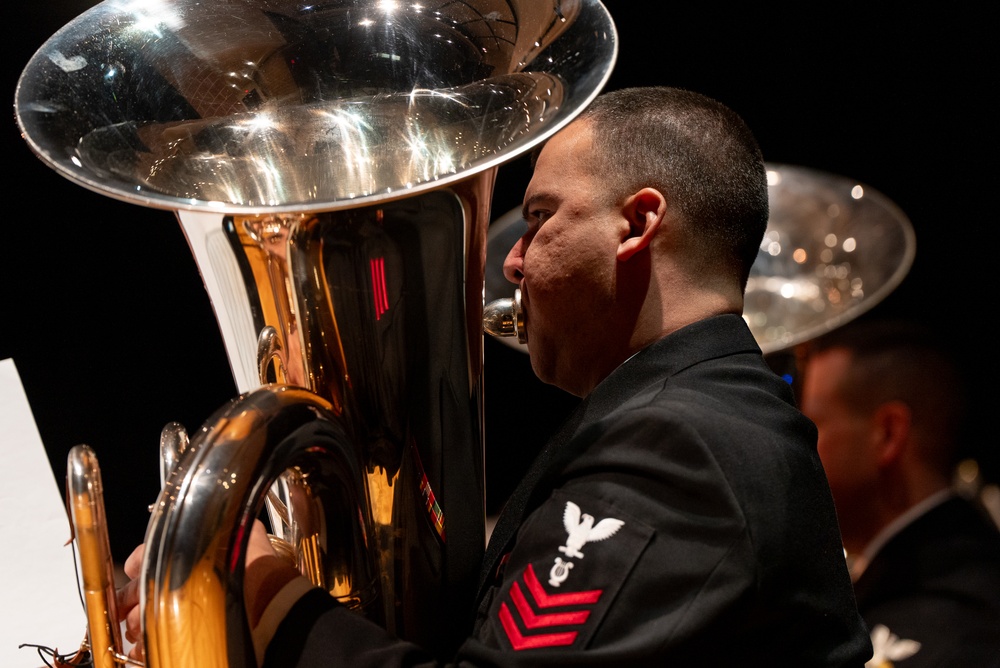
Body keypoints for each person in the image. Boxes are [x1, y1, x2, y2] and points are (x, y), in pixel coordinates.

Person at [121, 86, 872, 665]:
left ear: (637, 225)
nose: (510, 263)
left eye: (541, 219)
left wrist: (258, 585)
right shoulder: (688, 424)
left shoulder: (685, 447)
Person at [797, 319, 1000, 667]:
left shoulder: (963, 620)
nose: (797, 448)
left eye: (812, 424)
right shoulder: (901, 581)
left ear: (888, 434)